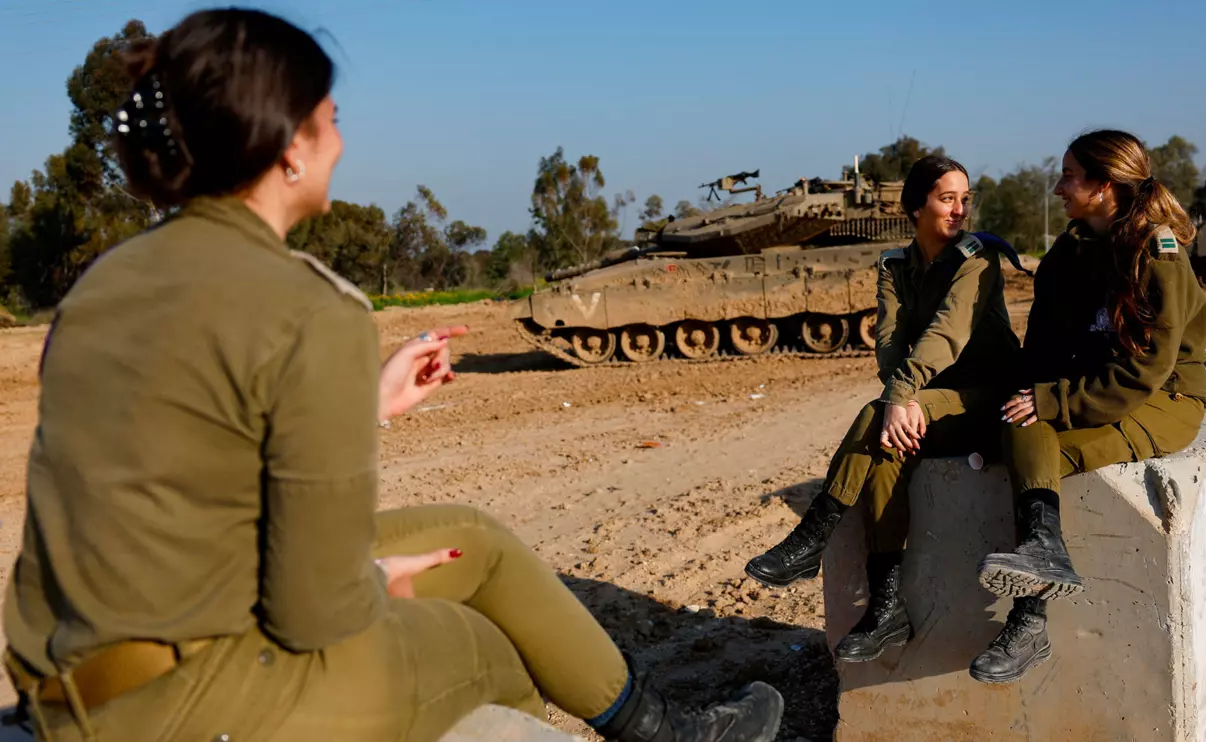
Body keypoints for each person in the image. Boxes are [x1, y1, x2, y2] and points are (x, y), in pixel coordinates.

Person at [0, 9, 784, 742]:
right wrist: (371, 582)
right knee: (493, 650)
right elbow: (316, 613)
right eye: (330, 118)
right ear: (288, 146)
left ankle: (667, 726)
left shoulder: (101, 286)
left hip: (77, 680)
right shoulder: (306, 304)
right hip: (202, 700)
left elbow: (176, 452)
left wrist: (358, 403)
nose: (340, 140)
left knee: (475, 541)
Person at [743, 155, 1028, 664]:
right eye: (947, 198)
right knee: (887, 446)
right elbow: (890, 340)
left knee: (881, 417)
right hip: (931, 403)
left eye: (965, 198)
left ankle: (813, 536)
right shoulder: (896, 265)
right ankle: (887, 607)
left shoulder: (977, 259)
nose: (960, 209)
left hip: (989, 400)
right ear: (916, 206)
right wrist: (905, 398)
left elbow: (948, 333)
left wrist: (900, 398)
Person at [970, 129, 1206, 684]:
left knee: (1041, 427)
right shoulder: (1069, 252)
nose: (1058, 187)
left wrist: (1054, 399)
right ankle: (1042, 552)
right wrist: (1012, 401)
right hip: (1096, 388)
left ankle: (1029, 618)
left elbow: (1147, 371)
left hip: (1164, 399)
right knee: (1021, 420)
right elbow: (1043, 351)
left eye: (1070, 176)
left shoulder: (1158, 253)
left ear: (1105, 186)